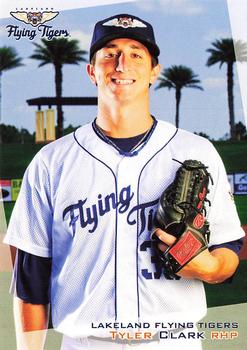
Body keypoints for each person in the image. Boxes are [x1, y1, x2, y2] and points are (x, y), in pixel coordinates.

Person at [4, 13, 245, 350]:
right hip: (86, 343)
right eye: (109, 53)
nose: (122, 64)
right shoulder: (52, 162)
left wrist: (210, 266)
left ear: (154, 71)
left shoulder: (196, 150)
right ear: (92, 71)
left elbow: (228, 247)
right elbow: (30, 281)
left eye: (136, 53)